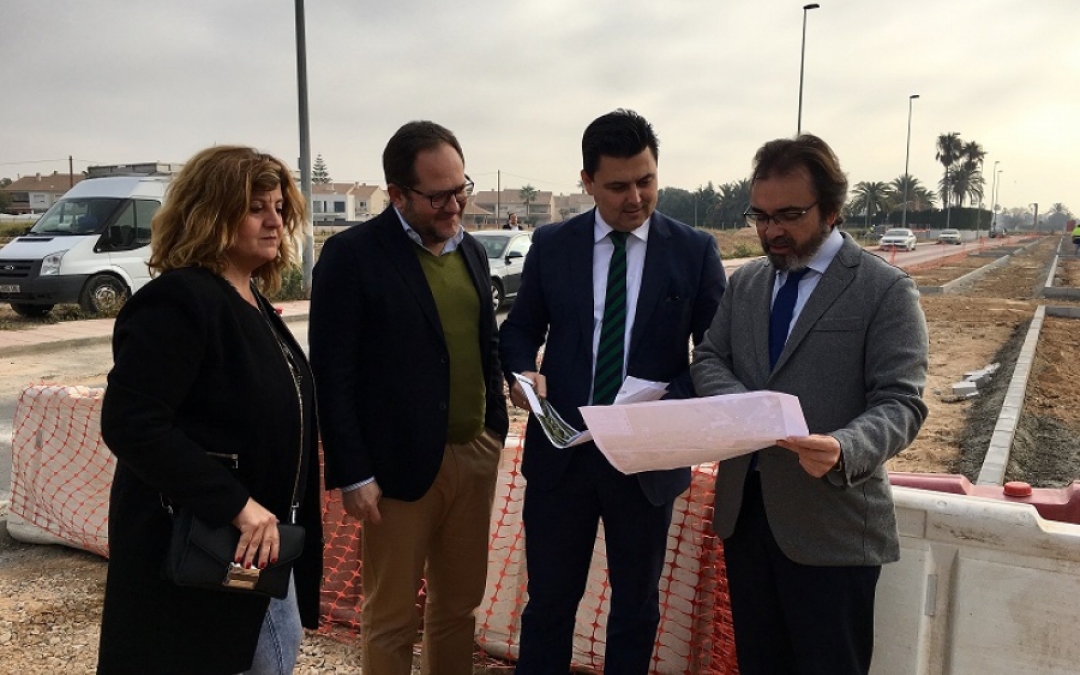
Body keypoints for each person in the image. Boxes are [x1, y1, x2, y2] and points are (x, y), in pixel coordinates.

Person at [690, 134, 929, 675]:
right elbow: (708, 358)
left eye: (789, 215)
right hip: (747, 520)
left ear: (832, 210)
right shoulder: (748, 283)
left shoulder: (884, 289)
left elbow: (901, 402)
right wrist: (748, 408)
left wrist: (844, 448)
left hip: (833, 527)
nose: (771, 230)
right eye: (761, 215)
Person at [499, 108, 726, 674]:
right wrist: (522, 374)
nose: (636, 198)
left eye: (646, 181)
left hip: (645, 463)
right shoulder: (554, 244)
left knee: (636, 609)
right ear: (587, 182)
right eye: (618, 186)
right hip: (563, 458)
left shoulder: (693, 251)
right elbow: (520, 328)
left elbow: (716, 355)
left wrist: (666, 405)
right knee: (548, 605)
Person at [96, 146, 323, 675]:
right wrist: (236, 504)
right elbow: (132, 423)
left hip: (259, 552)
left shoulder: (249, 299)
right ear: (210, 216)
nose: (275, 221)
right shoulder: (180, 300)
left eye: (279, 207)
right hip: (201, 554)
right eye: (255, 208)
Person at [309, 121, 508, 675]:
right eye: (438, 196)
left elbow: (486, 347)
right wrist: (353, 472)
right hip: (394, 471)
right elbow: (332, 375)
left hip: (473, 456)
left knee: (458, 609)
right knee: (391, 617)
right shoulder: (352, 257)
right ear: (397, 194)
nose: (455, 206)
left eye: (460, 190)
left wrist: (493, 430)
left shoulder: (472, 253)